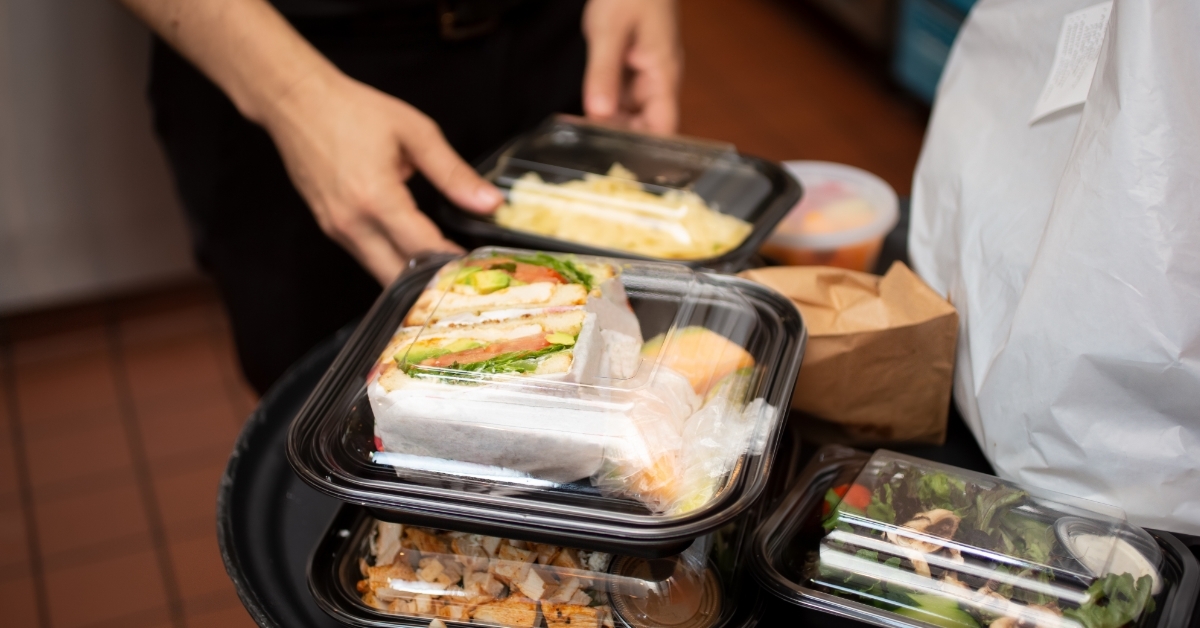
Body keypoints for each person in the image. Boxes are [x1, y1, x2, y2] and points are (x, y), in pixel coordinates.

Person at [118, 0, 683, 394]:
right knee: (331, 396)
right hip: (286, 65)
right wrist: (292, 95)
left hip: (557, 38)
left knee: (617, 368)